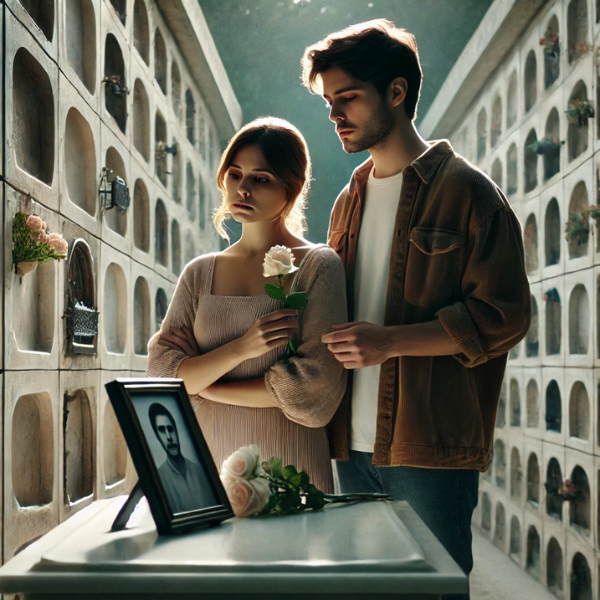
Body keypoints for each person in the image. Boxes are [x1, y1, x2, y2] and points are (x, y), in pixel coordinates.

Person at [301, 20, 531, 599]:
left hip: (428, 448)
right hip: (348, 445)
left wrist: (392, 341)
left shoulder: (470, 193)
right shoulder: (347, 200)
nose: (336, 116)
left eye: (347, 98)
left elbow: (505, 315)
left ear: (396, 93)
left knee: (431, 594)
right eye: (330, 103)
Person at [146, 117, 347, 493]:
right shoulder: (199, 273)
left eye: (261, 178)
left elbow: (315, 391)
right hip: (207, 462)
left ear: (294, 186)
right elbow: (160, 377)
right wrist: (242, 348)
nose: (243, 189)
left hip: (289, 461)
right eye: (235, 175)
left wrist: (203, 382)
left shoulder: (318, 265)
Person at [148, 402, 217, 514]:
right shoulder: (159, 480)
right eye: (161, 430)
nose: (169, 437)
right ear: (157, 436)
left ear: (176, 431)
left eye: (170, 429)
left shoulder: (201, 472)